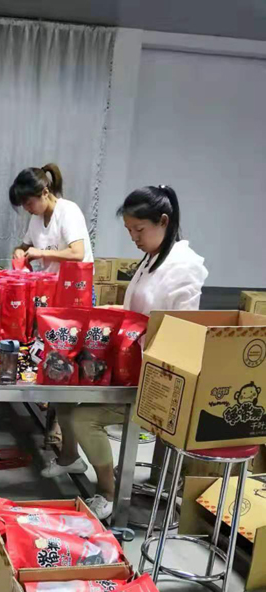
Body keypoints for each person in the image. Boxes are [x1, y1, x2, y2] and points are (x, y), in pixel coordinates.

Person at [42, 185, 209, 521]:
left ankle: (108, 492)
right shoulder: (153, 259)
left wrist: (135, 332)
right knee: (63, 390)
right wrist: (109, 314)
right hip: (127, 364)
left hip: (154, 380)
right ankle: (70, 458)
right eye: (129, 230)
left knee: (82, 419)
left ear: (164, 221)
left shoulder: (184, 267)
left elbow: (182, 334)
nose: (133, 238)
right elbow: (139, 312)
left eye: (139, 230)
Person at [9, 164, 94, 272]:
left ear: (45, 193)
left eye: (29, 203)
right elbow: (24, 247)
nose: (26, 209)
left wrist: (42, 253)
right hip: (51, 280)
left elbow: (77, 253)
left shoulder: (68, 211)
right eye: (23, 205)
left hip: (76, 280)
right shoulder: (36, 218)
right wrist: (19, 252)